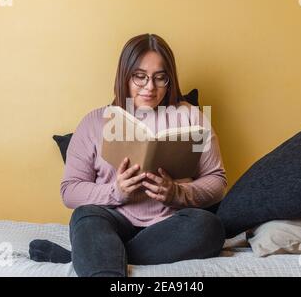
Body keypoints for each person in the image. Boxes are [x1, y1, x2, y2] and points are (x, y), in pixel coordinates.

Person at [29, 33, 228, 277]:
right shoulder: (94, 122)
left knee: (210, 227)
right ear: (125, 76)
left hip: (168, 226)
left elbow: (217, 181)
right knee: (84, 216)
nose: (150, 87)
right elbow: (69, 191)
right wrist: (116, 192)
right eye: (139, 77)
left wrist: (178, 193)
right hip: (112, 221)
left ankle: (89, 255)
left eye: (160, 78)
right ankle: (103, 262)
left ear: (170, 79)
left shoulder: (190, 116)